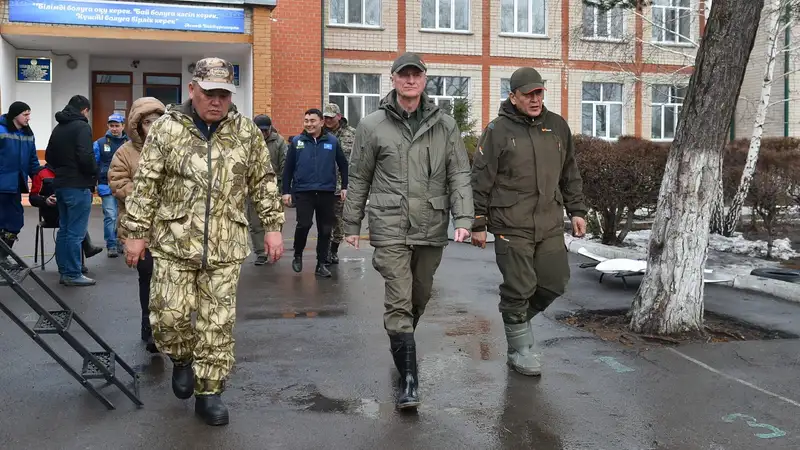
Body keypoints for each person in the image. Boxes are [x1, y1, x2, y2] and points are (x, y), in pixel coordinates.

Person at [120, 58, 285, 426]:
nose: (216, 101)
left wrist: (273, 225)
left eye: (224, 94)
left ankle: (210, 392)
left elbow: (264, 181)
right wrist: (135, 233)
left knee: (217, 323)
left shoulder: (245, 131)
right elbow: (146, 184)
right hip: (174, 242)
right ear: (192, 90)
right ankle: (181, 358)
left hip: (226, 243)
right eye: (209, 93)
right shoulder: (166, 129)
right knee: (168, 316)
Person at [343, 52, 474, 409]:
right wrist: (351, 224)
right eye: (404, 75)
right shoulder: (372, 125)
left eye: (416, 75)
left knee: (421, 294)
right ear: (394, 79)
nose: (410, 81)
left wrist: (464, 218)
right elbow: (359, 177)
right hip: (389, 226)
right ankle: (409, 379)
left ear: (425, 79)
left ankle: (403, 346)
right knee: (399, 299)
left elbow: (459, 173)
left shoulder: (444, 124)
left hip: (431, 223)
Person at [470, 67, 587, 377]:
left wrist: (577, 210)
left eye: (539, 93)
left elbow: (570, 173)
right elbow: (480, 179)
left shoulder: (557, 126)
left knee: (555, 281)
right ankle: (520, 348)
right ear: (513, 97)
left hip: (549, 220)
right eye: (528, 94)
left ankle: (515, 319)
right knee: (519, 287)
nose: (536, 99)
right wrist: (478, 223)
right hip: (511, 223)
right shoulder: (498, 130)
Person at [108, 97, 166, 353]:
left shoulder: (173, 147)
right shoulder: (125, 152)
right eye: (146, 122)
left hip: (170, 228)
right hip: (140, 227)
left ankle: (168, 326)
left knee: (169, 280)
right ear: (137, 125)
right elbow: (117, 181)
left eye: (156, 121)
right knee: (148, 275)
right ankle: (149, 325)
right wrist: (145, 194)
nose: (151, 126)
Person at [282, 108, 348, 278]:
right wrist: (286, 191)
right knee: (304, 225)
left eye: (312, 121)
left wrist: (345, 186)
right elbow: (287, 169)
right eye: (306, 121)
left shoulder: (332, 142)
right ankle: (298, 254)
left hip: (326, 192)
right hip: (304, 192)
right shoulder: (297, 142)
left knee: (325, 230)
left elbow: (343, 165)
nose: (309, 124)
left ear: (321, 122)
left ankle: (321, 264)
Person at [45, 95, 97, 286]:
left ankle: (65, 269)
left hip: (61, 184)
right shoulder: (82, 127)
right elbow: (86, 155)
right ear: (85, 110)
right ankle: (73, 274)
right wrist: (94, 172)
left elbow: (49, 155)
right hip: (78, 185)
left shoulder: (58, 128)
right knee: (76, 233)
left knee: (65, 230)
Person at [29, 164, 103, 273]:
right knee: (73, 224)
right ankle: (79, 258)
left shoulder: (72, 172)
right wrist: (45, 200)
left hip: (70, 210)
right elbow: (33, 198)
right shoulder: (41, 173)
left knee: (73, 221)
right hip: (51, 213)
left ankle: (75, 263)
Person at [0, 101, 41, 269]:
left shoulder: (28, 135)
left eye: (29, 114)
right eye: (25, 114)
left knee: (15, 222)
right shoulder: (2, 131)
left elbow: (33, 161)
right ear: (15, 115)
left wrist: (42, 177)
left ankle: (2, 257)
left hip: (15, 186)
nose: (28, 118)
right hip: (2, 184)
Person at [248, 114, 287, 265]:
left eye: (265, 130)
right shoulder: (249, 141)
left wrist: (284, 189)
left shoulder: (279, 142)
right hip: (253, 187)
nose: (263, 133)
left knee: (275, 221)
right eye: (260, 130)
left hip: (274, 186)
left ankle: (272, 248)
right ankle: (260, 252)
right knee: (255, 222)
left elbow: (284, 164)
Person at [321, 103, 355, 265]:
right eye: (325, 117)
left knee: (339, 221)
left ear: (339, 117)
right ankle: (325, 252)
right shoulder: (319, 134)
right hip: (323, 184)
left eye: (330, 117)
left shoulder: (352, 134)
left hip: (343, 186)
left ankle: (333, 250)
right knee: (325, 220)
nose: (327, 120)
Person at [93, 113, 128, 258]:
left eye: (117, 126)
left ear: (123, 126)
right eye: (111, 126)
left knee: (123, 217)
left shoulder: (129, 143)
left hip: (124, 186)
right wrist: (93, 183)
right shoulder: (99, 143)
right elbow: (93, 164)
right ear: (108, 126)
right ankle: (111, 244)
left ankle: (120, 240)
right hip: (105, 186)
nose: (114, 129)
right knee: (110, 215)